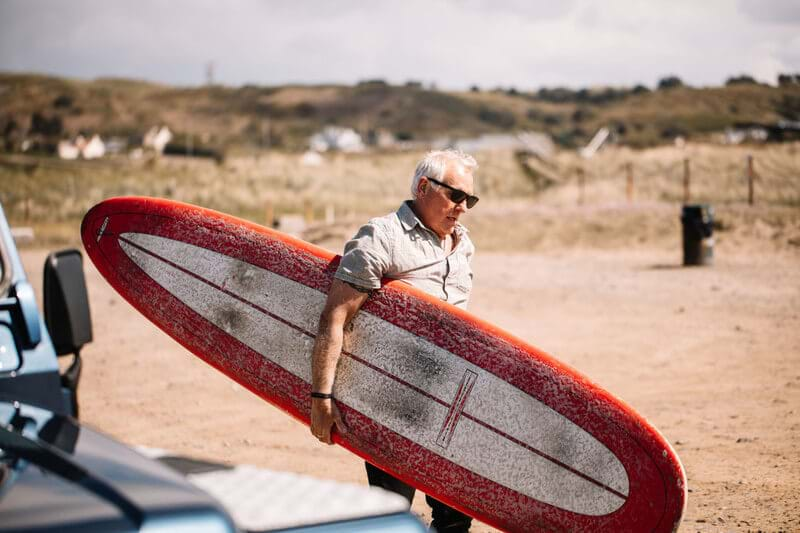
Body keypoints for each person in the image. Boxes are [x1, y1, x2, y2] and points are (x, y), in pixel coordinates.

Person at [309, 149, 479, 533]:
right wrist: (321, 397)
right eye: (456, 195)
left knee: (455, 518)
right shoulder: (381, 238)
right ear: (424, 187)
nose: (463, 207)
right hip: (391, 402)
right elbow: (335, 318)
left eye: (470, 199)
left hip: (448, 403)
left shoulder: (463, 244)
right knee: (393, 517)